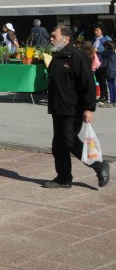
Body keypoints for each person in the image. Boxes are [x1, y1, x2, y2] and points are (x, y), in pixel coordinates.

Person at [43, 26, 109, 189]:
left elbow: (88, 84)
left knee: (69, 140)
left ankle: (100, 166)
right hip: (58, 109)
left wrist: (89, 108)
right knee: (58, 145)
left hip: (73, 109)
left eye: (54, 36)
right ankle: (64, 178)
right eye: (51, 36)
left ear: (66, 39)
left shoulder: (76, 57)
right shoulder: (57, 57)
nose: (51, 38)